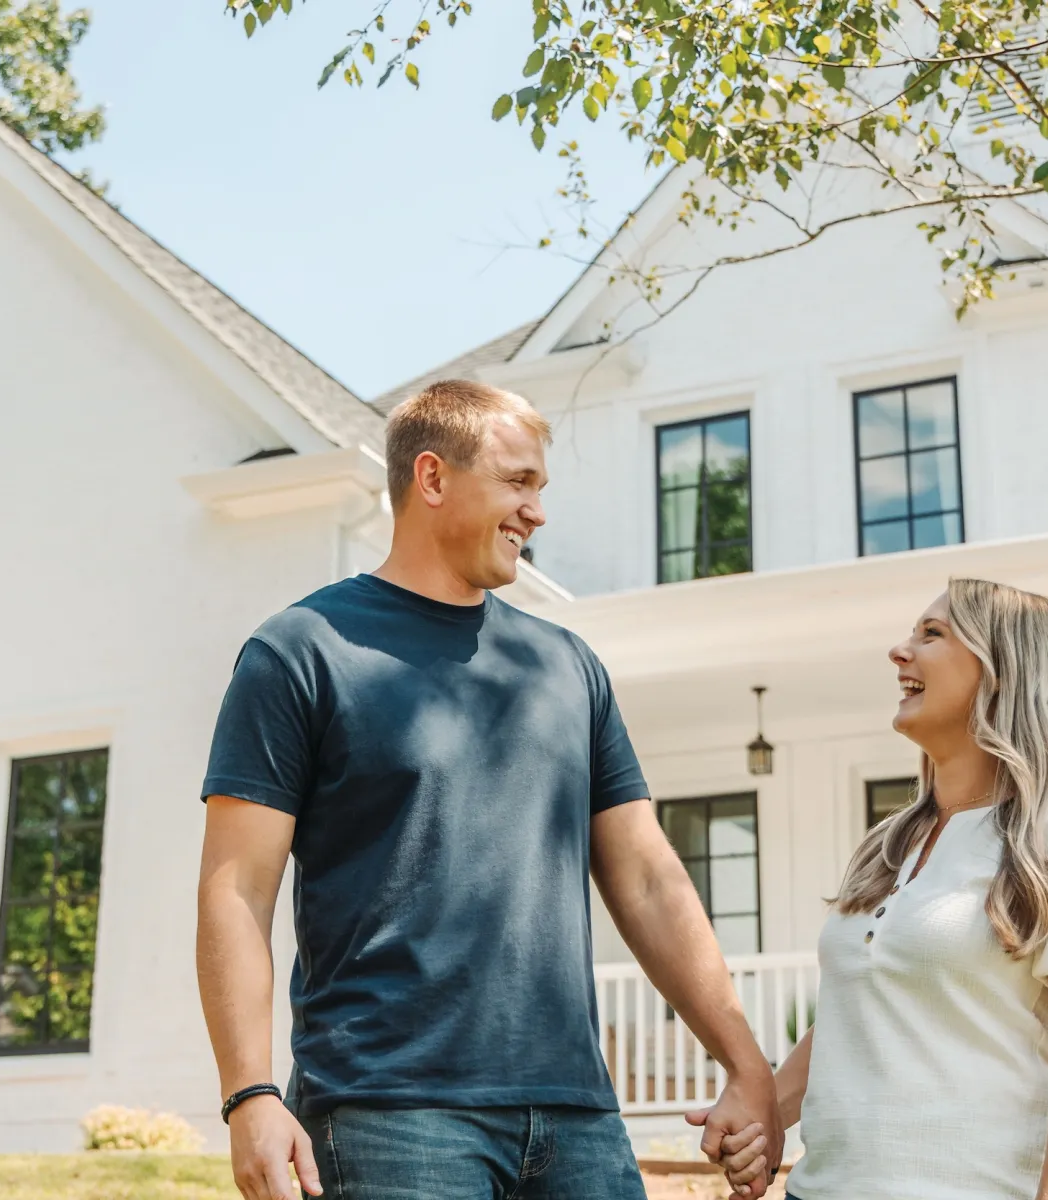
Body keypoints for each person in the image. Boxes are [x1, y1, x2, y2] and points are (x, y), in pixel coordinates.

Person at [196, 379, 782, 1200]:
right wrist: (249, 1094)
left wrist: (745, 1063)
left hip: (577, 1116)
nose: (537, 512)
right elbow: (236, 889)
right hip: (387, 1113)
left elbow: (649, 877)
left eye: (541, 488)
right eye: (519, 482)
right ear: (432, 479)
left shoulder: (568, 666)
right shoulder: (301, 652)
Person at [713, 578, 1048, 1200]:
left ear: (1004, 671)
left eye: (932, 635)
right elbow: (859, 1012)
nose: (899, 652)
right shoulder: (889, 843)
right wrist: (766, 1110)